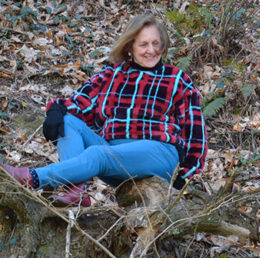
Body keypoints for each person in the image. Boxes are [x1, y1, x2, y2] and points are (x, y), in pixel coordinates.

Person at [0, 14, 207, 207]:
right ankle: (76, 191)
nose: (151, 50)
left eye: (156, 43)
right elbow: (79, 102)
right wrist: (55, 111)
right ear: (130, 46)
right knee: (68, 121)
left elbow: (195, 132)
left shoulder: (177, 79)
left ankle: (32, 178)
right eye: (143, 44)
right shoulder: (112, 74)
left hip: (158, 154)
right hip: (113, 156)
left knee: (98, 154)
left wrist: (186, 175)